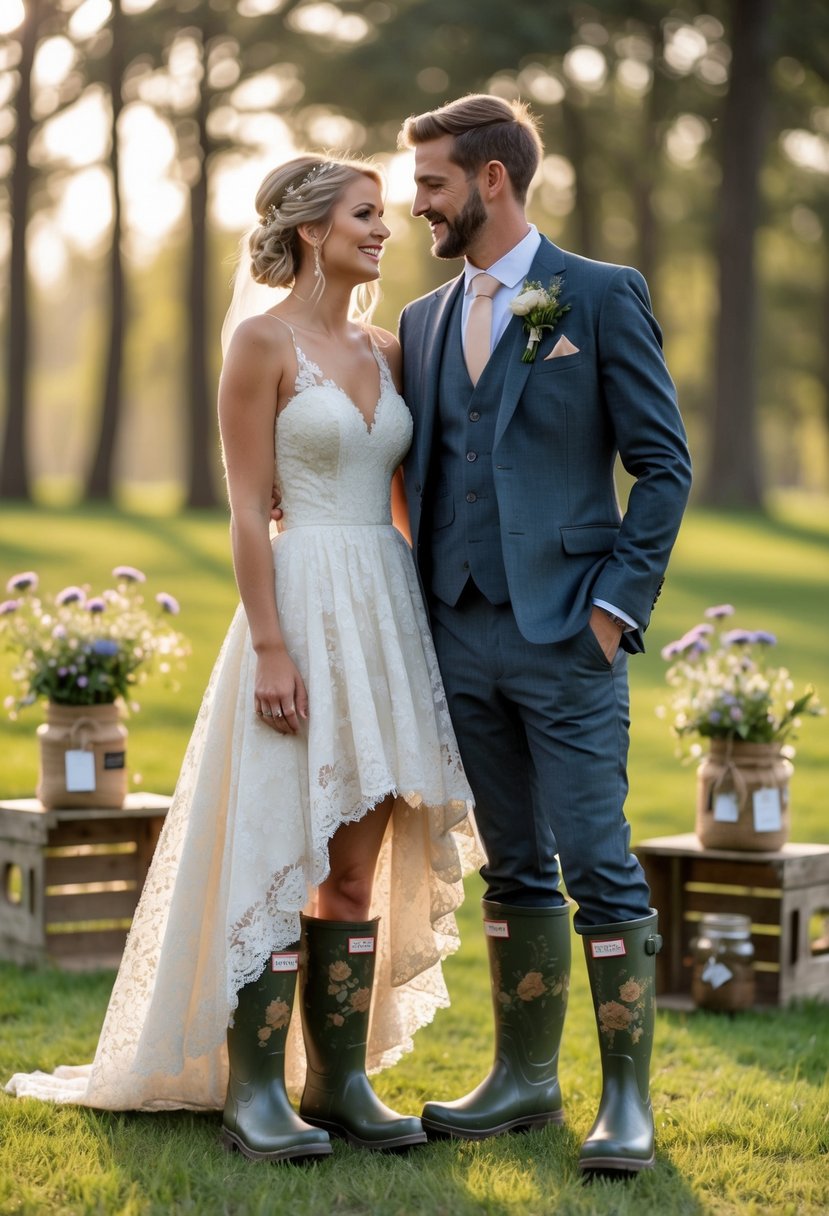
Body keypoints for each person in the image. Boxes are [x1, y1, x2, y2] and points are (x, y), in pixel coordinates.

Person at [5, 154, 479, 1163]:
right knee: (278, 843)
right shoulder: (259, 343)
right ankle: (255, 1090)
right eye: (363, 214)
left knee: (352, 873)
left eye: (382, 216)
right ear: (311, 228)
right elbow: (244, 511)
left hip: (384, 610)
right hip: (298, 606)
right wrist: (270, 644)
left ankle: (339, 1080)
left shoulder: (391, 349)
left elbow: (407, 500)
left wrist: (432, 621)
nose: (381, 229)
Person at [396, 95, 693, 1175]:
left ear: (489, 180)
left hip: (570, 633)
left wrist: (615, 610)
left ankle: (626, 1100)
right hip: (458, 630)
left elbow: (663, 465)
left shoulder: (601, 296)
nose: (413, 201)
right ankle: (524, 1079)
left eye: (430, 181)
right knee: (511, 865)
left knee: (599, 867)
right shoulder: (424, 322)